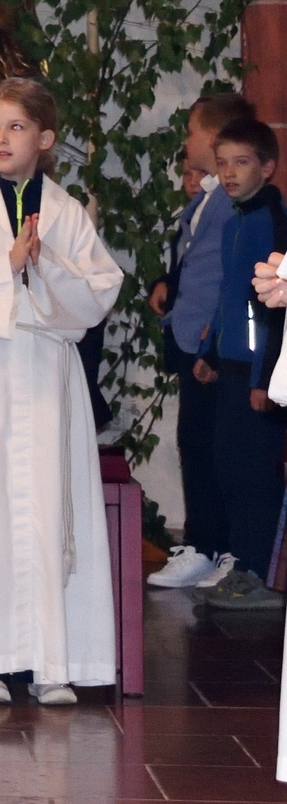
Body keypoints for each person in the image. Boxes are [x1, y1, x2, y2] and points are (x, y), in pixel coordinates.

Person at [0, 79, 123, 705]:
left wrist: (45, 266)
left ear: (45, 138)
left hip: (45, 370)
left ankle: (51, 662)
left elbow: (99, 291)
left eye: (15, 127)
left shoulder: (68, 212)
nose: (2, 139)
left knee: (49, 505)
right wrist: (6, 266)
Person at [147, 92, 255, 589]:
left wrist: (211, 343)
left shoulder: (233, 204)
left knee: (214, 449)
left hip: (213, 345)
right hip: (194, 339)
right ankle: (204, 545)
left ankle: (218, 546)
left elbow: (227, 279)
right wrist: (167, 285)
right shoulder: (207, 196)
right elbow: (193, 262)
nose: (186, 141)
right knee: (195, 443)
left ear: (211, 137)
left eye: (191, 131)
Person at [194, 117, 287, 610]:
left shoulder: (272, 221)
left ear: (267, 168)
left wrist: (265, 379)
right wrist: (210, 353)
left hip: (259, 374)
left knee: (255, 474)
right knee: (228, 467)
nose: (229, 173)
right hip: (230, 367)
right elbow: (230, 298)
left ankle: (260, 576)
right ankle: (243, 564)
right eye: (223, 163)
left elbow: (275, 312)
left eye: (242, 162)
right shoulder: (235, 222)